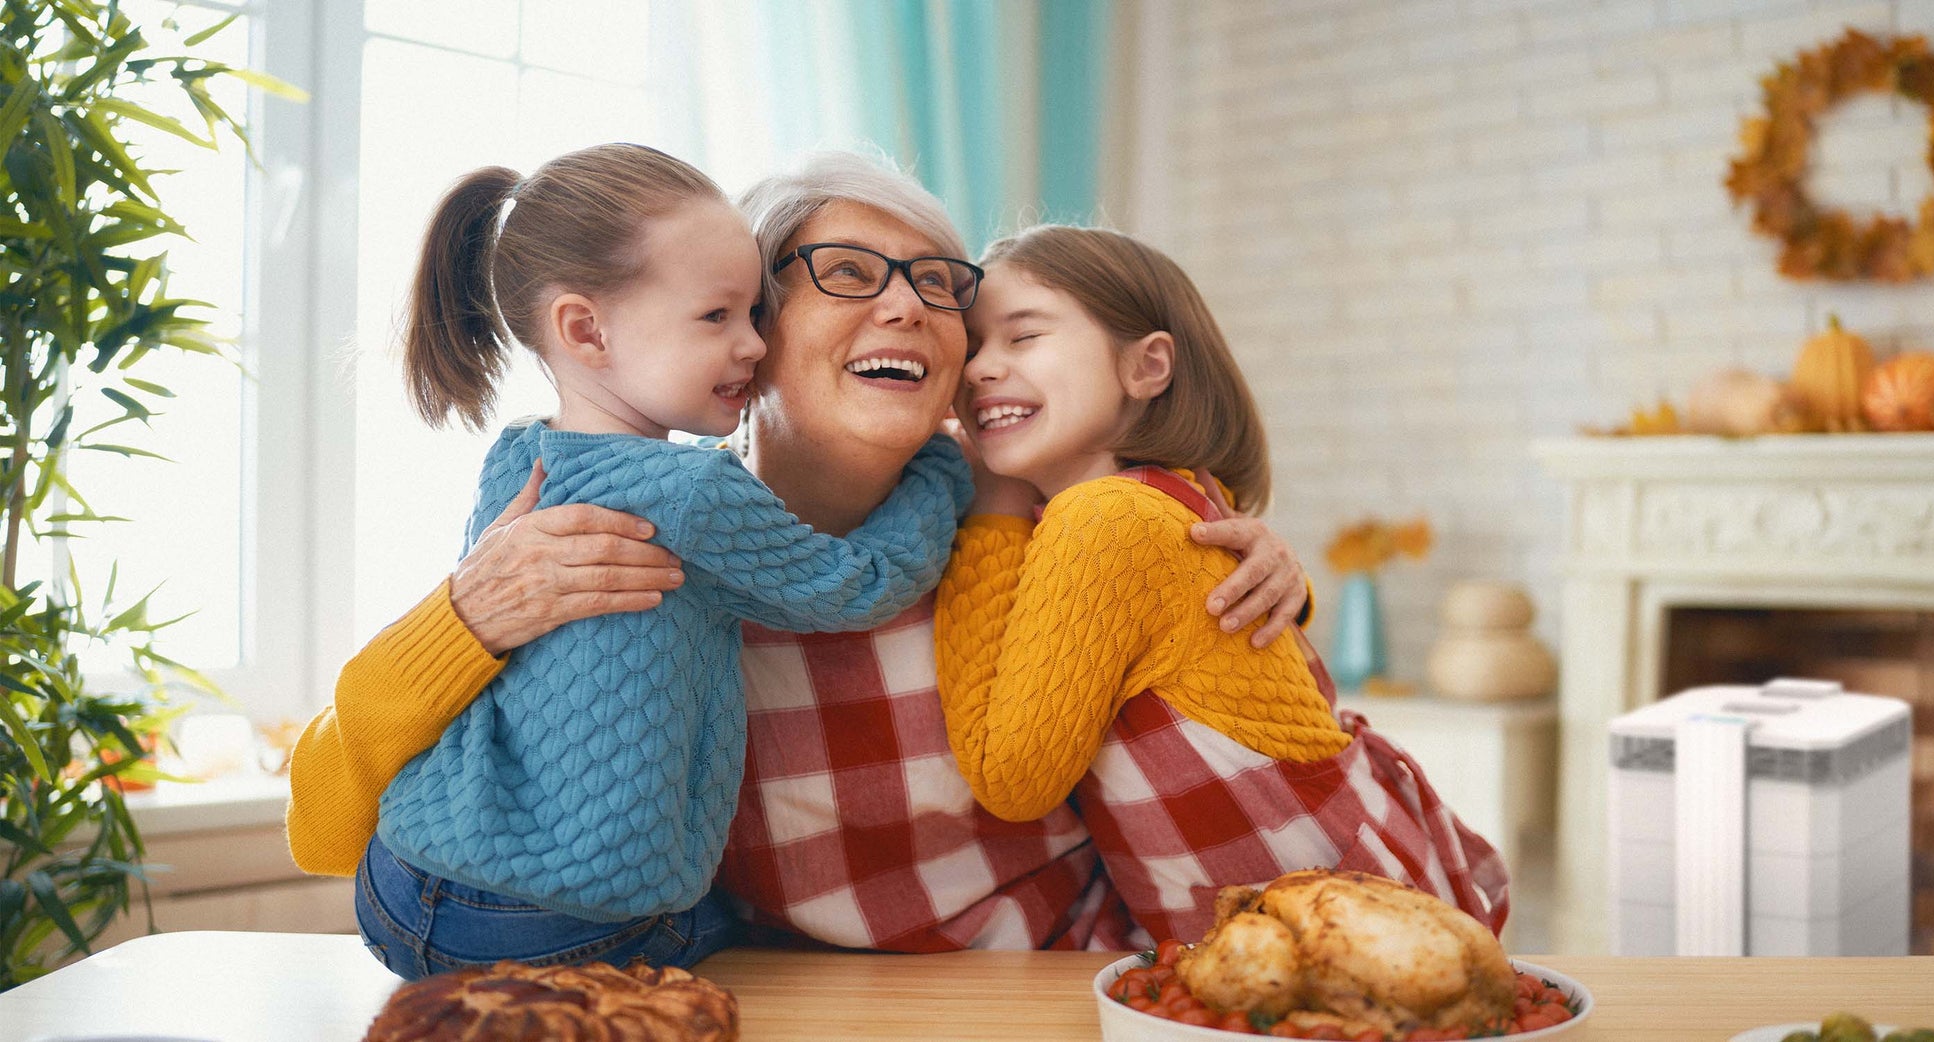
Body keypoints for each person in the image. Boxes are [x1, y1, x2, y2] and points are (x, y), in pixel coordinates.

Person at [288, 152, 1316, 955]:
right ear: (749, 331)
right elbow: (331, 824)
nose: (907, 304)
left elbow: (1255, 762)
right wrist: (459, 621)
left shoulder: (1038, 532)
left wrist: (1266, 582)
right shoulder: (592, 536)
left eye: (937, 283)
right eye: (849, 273)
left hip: (1032, 996)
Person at [343, 143, 971, 980]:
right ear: (585, 329)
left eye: (754, 314)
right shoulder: (693, 495)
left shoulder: (517, 457)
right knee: (736, 941)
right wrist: (942, 470)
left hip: (398, 883)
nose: (751, 344)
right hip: (554, 930)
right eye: (719, 318)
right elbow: (858, 587)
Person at [935, 225, 1510, 945]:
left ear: (1147, 367)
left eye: (1022, 338)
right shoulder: (1172, 494)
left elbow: (1009, 778)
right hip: (1369, 898)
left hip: (1335, 939)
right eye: (974, 346)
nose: (982, 369)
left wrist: (991, 507)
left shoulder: (1103, 517)